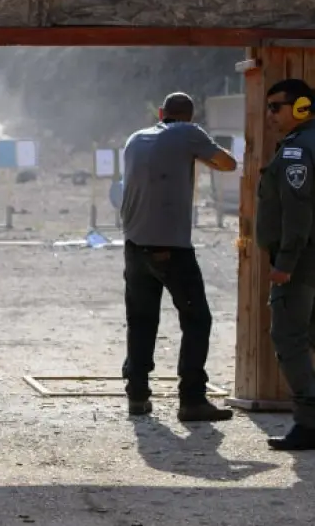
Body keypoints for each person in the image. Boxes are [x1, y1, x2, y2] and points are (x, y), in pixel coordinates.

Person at [119, 92, 238, 421]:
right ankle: (192, 399)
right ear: (190, 115)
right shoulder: (188, 133)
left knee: (142, 322)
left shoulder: (135, 138)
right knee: (198, 320)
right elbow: (229, 163)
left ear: (160, 112)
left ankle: (138, 395)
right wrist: (201, 154)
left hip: (134, 245)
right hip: (170, 246)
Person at [255, 78, 315, 450]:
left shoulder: (297, 151)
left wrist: (285, 262)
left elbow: (297, 214)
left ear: (301, 107)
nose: (270, 115)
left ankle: (309, 422)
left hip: (302, 264)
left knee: (288, 337)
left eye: (277, 107)